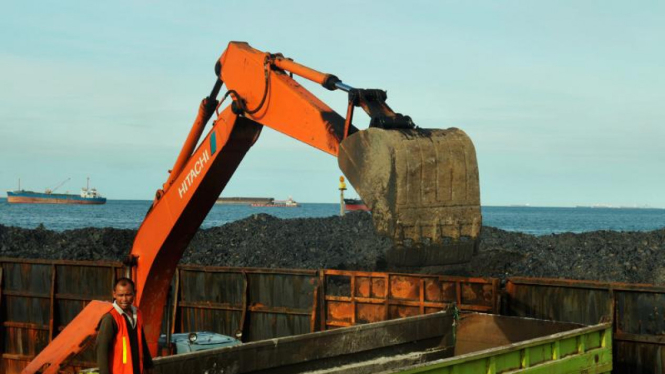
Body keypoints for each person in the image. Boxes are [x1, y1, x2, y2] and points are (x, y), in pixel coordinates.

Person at [97, 277, 153, 374]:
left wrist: (149, 365)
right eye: (120, 295)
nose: (124, 299)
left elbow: (142, 341)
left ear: (134, 294)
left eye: (128, 295)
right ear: (114, 294)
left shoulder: (138, 313)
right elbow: (102, 349)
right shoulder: (110, 318)